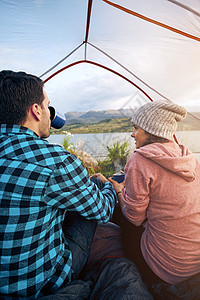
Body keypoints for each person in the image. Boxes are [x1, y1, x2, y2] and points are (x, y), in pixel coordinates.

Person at [0, 70, 117, 299]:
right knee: (92, 200)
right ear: (36, 110)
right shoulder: (56, 162)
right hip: (38, 284)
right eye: (47, 106)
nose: (49, 113)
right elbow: (102, 211)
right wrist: (111, 188)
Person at [95, 100, 200, 286]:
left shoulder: (140, 158)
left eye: (136, 128)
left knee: (124, 219)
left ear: (151, 130)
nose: (132, 133)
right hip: (192, 264)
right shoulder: (188, 157)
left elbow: (134, 217)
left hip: (165, 268)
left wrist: (119, 191)